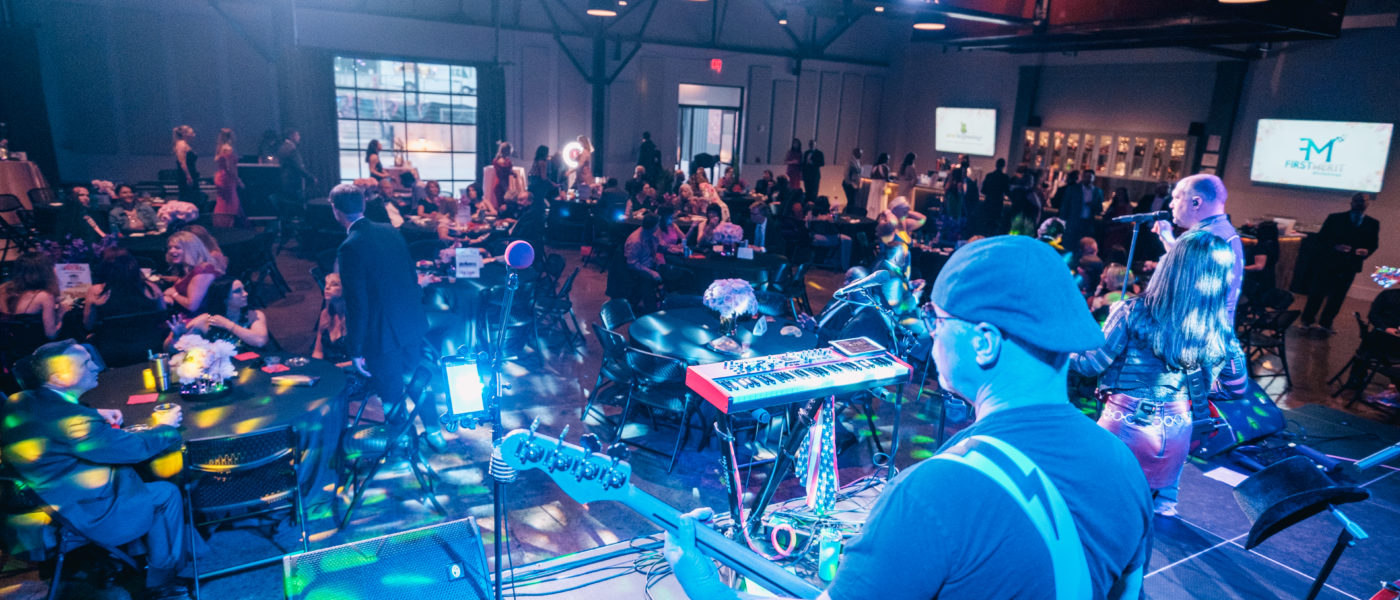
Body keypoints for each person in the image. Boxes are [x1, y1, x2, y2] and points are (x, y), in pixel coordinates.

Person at [666, 235, 1151, 600]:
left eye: (938, 319)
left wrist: (705, 585)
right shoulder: (1124, 466)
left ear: (984, 343)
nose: (929, 334)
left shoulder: (931, 494)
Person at [1072, 230, 1249, 516]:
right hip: (1178, 431)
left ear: (1171, 265)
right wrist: (1192, 388)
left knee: (1100, 513)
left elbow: (1090, 363)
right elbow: (1237, 387)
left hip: (1124, 425)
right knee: (1158, 517)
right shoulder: (1220, 329)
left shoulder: (1131, 310)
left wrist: (1060, 347)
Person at [1, 341, 189, 599]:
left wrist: (97, 413)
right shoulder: (77, 423)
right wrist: (164, 426)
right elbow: (137, 448)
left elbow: (51, 418)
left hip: (39, 502)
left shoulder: (18, 400)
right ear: (58, 378)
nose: (96, 367)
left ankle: (137, 558)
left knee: (139, 477)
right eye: (85, 363)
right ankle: (163, 583)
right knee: (166, 493)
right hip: (80, 513)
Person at [331, 184, 429, 415]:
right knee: (417, 382)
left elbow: (357, 303)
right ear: (363, 204)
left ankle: (401, 437)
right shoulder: (390, 230)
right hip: (411, 322)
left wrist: (356, 349)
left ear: (335, 210)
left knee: (390, 393)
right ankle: (434, 431)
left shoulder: (349, 246)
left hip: (381, 333)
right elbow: (410, 275)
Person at [1151, 173, 1244, 322]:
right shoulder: (1221, 231)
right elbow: (1188, 264)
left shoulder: (1208, 237)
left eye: (1176, 197)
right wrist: (1166, 238)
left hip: (1195, 329)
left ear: (1196, 203)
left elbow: (1183, 280)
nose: (1171, 205)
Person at [1301, 192, 1381, 334]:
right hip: (1329, 262)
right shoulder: (1335, 218)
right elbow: (1321, 239)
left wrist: (1366, 252)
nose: (1360, 204)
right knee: (1317, 293)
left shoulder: (1373, 223)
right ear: (1351, 202)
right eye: (1358, 201)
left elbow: (1373, 244)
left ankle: (1326, 323)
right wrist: (1335, 247)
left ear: (1368, 204)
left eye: (1363, 201)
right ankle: (1307, 320)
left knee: (1338, 297)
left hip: (1351, 265)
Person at [165, 278, 268, 349]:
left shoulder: (254, 315)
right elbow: (168, 350)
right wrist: (176, 337)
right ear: (224, 297)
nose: (245, 294)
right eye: (238, 291)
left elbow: (260, 341)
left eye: (244, 289)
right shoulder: (206, 320)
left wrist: (228, 325)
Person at [83, 248, 166, 330]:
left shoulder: (96, 291)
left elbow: (88, 325)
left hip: (111, 338)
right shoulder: (152, 288)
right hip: (150, 337)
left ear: (104, 267)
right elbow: (163, 319)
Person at [0, 252, 63, 339]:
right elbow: (51, 335)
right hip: (35, 345)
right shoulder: (44, 296)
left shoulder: (4, 290)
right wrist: (61, 314)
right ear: (45, 272)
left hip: (11, 343)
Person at [163, 231, 223, 314]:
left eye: (177, 247)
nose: (171, 251)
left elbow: (192, 306)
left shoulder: (203, 270)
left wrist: (174, 295)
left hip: (198, 318)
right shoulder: (186, 268)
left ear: (190, 250)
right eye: (170, 248)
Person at [624, 211, 665, 310]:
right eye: (657, 225)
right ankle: (652, 310)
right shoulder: (636, 241)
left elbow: (659, 246)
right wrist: (651, 272)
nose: (659, 227)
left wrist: (675, 248)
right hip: (638, 270)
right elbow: (632, 264)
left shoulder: (652, 234)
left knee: (672, 271)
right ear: (653, 226)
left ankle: (665, 304)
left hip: (651, 265)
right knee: (647, 281)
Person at [1060, 169, 1103, 253]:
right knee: (1070, 245)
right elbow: (1066, 205)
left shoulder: (1098, 191)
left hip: (1088, 223)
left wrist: (1092, 205)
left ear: (1093, 178)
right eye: (1086, 176)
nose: (1088, 179)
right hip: (1073, 221)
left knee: (1084, 246)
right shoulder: (1073, 189)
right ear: (1083, 177)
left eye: (1090, 177)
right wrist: (1063, 220)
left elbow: (1099, 209)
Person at [312, 273, 349, 362]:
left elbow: (363, 359)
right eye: (326, 284)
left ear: (344, 289)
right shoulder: (325, 314)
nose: (327, 287)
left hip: (349, 367)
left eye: (334, 284)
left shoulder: (353, 317)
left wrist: (336, 367)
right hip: (328, 366)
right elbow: (318, 351)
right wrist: (315, 366)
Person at [212, 128, 244, 228]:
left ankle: (221, 223)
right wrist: (238, 180)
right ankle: (227, 224)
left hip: (221, 176)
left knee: (223, 201)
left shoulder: (220, 148)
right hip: (227, 178)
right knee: (230, 202)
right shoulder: (228, 149)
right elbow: (230, 168)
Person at [277, 128, 316, 208]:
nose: (299, 137)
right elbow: (298, 167)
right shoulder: (291, 148)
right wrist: (311, 177)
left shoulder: (283, 147)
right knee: (296, 206)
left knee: (289, 205)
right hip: (293, 181)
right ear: (291, 136)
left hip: (285, 180)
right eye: (297, 135)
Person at [1243, 220, 1280, 300]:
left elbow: (1259, 266)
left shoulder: (1262, 247)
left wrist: (1242, 268)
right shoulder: (1274, 244)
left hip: (1257, 281)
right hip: (1269, 278)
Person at [172, 125, 201, 206]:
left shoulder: (185, 144)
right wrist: (188, 176)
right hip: (186, 175)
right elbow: (182, 162)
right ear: (185, 134)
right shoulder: (181, 144)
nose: (194, 134)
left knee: (193, 197)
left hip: (191, 173)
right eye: (192, 132)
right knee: (187, 197)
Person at [802, 140, 825, 205]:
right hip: (806, 175)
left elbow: (822, 163)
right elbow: (803, 164)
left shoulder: (819, 153)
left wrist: (813, 163)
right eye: (810, 144)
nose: (811, 145)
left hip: (815, 175)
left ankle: (813, 205)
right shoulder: (806, 153)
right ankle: (807, 205)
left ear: (815, 145)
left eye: (813, 144)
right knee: (807, 191)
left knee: (814, 191)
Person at [843, 147, 863, 214]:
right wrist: (850, 183)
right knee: (851, 201)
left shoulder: (857, 161)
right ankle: (848, 214)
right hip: (850, 183)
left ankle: (850, 213)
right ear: (855, 153)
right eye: (860, 153)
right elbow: (846, 173)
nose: (861, 155)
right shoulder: (850, 161)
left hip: (855, 184)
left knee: (852, 201)